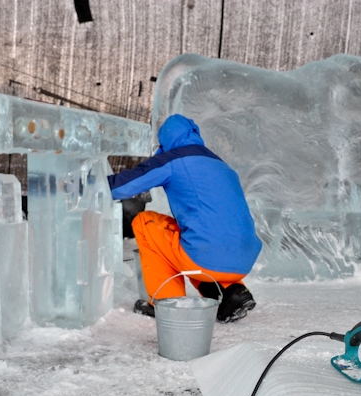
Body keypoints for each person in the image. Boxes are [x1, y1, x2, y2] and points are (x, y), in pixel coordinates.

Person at [108, 114, 262, 323]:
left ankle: (166, 302)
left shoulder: (174, 158)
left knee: (145, 223)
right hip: (244, 258)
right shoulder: (221, 165)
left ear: (165, 141)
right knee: (190, 240)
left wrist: (93, 182)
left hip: (205, 255)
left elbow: (123, 187)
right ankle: (230, 292)